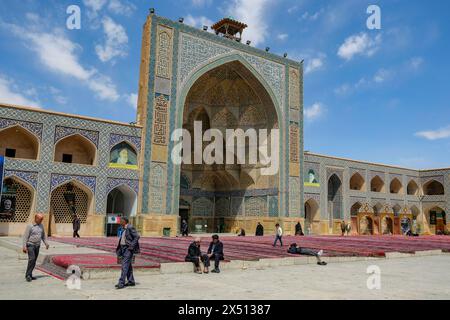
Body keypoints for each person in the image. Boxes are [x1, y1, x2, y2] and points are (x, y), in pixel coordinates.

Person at [22, 214, 50, 282]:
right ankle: (28, 275)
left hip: (37, 246)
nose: (41, 221)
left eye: (42, 219)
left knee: (34, 261)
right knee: (32, 259)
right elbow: (25, 237)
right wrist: (24, 246)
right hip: (30, 245)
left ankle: (30, 274)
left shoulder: (41, 226)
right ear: (36, 218)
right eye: (40, 219)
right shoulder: (30, 226)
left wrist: (46, 243)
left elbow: (43, 236)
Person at [115, 217, 140, 289]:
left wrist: (131, 246)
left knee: (124, 265)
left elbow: (137, 236)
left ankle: (121, 283)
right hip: (123, 248)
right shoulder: (123, 228)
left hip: (128, 249)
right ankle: (131, 281)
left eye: (121, 221)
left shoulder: (130, 227)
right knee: (128, 266)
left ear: (125, 221)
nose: (120, 222)